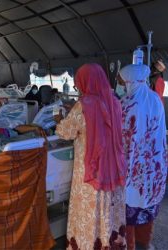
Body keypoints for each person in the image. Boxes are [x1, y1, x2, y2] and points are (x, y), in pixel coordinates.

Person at [54, 64, 127, 249]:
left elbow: (66, 132)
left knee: (90, 209)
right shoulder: (115, 102)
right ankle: (108, 242)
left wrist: (59, 119)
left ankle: (89, 244)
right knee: (108, 209)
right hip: (113, 170)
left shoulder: (83, 106)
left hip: (91, 171)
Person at [119, 64, 167, 250]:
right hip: (154, 162)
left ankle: (129, 244)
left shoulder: (126, 103)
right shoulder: (155, 99)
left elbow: (121, 137)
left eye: (123, 81)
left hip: (133, 164)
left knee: (130, 204)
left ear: (130, 81)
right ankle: (145, 243)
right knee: (148, 201)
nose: (123, 84)